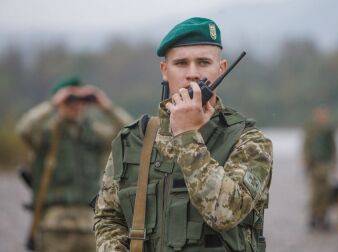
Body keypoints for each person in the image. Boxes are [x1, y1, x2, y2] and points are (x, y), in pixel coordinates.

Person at [94, 17, 273, 251]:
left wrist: (188, 134)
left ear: (221, 69)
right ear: (164, 70)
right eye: (181, 63)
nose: (192, 74)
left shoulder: (249, 141)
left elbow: (224, 213)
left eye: (203, 62)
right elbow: (108, 219)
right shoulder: (133, 141)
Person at [16, 76, 133, 251]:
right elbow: (24, 129)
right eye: (70, 100)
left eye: (81, 101)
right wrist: (52, 104)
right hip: (54, 225)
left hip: (90, 223)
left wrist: (106, 106)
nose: (75, 105)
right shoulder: (46, 134)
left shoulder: (93, 134)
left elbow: (129, 133)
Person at [303, 106, 336, 231]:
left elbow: (333, 147)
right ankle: (313, 217)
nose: (322, 117)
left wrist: (334, 163)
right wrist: (305, 161)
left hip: (325, 165)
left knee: (326, 192)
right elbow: (306, 146)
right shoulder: (311, 129)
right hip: (314, 165)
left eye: (324, 115)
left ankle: (323, 218)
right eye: (320, 115)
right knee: (315, 193)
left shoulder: (329, 130)